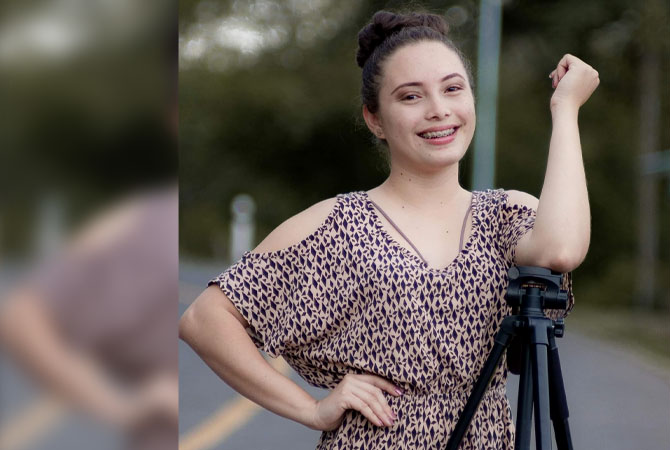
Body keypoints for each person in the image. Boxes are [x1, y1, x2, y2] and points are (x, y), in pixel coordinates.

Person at [179, 10, 596, 449]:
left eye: (453, 89)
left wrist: (565, 110)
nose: (439, 110)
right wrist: (310, 409)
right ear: (375, 119)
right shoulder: (337, 225)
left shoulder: (503, 214)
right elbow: (204, 319)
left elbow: (561, 249)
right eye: (410, 97)